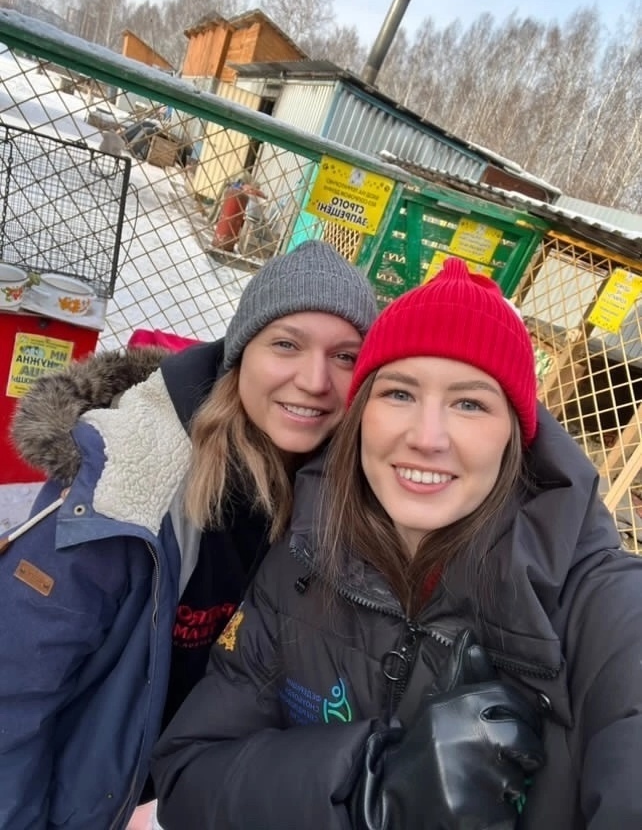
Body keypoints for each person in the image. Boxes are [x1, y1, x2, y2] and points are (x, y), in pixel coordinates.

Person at [151, 256, 642, 830]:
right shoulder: (303, 555)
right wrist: (366, 784)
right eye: (400, 394)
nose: (426, 438)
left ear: (515, 434)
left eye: (469, 403)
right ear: (360, 414)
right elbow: (188, 774)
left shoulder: (601, 606)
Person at [0, 240, 378, 830]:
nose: (313, 380)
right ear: (239, 354)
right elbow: (17, 688)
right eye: (286, 344)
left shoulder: (348, 494)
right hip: (83, 797)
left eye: (345, 357)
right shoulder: (127, 479)